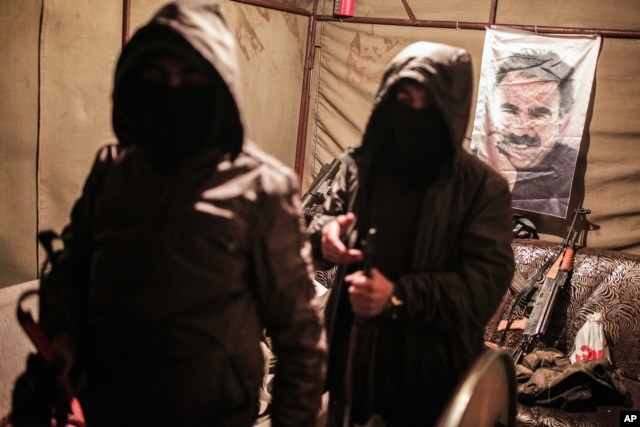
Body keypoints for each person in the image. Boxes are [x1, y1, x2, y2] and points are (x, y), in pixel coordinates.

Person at [32, 1, 326, 426]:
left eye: (190, 77)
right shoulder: (113, 170)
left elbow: (298, 333)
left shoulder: (261, 187)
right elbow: (71, 269)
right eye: (155, 78)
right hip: (108, 409)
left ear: (218, 87)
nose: (172, 92)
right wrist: (61, 341)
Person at [307, 41, 515, 426]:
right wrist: (324, 236)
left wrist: (399, 297)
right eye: (404, 97)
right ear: (388, 98)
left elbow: (484, 287)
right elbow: (324, 224)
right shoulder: (359, 166)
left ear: (450, 111)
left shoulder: (483, 189)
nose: (414, 113)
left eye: (429, 103)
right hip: (349, 356)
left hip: (428, 370)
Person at [477, 48, 577, 217]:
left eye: (538, 114)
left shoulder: (570, 175)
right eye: (510, 111)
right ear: (491, 114)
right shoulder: (468, 162)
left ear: (562, 124)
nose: (520, 129)